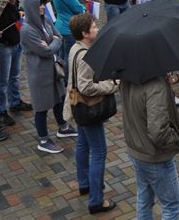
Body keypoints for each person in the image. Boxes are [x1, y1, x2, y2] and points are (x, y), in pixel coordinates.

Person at [61, 13, 118, 214]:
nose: (97, 29)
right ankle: (96, 200)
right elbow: (85, 86)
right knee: (99, 152)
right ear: (85, 33)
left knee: (83, 145)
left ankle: (84, 183)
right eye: (94, 27)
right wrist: (111, 86)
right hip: (88, 109)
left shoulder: (75, 48)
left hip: (77, 106)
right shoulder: (85, 56)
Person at [121, 71, 179, 219]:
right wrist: (175, 140)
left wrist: (169, 79)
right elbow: (158, 132)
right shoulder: (156, 85)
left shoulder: (127, 77)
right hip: (155, 156)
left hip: (137, 149)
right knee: (172, 206)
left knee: (144, 199)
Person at [20, 0, 76, 154]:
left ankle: (63, 127)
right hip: (39, 73)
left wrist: (52, 42)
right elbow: (45, 51)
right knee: (42, 106)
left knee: (59, 98)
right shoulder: (27, 30)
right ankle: (43, 139)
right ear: (31, 7)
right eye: (40, 4)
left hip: (53, 69)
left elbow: (58, 36)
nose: (43, 7)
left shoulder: (45, 20)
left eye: (43, 3)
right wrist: (53, 43)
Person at [0, 0, 32, 127]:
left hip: (15, 41)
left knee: (15, 75)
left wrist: (16, 7)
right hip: (3, 46)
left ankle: (15, 102)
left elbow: (14, 17)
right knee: (1, 81)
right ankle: (0, 111)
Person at [52, 0, 86, 64]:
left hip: (60, 25)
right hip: (69, 27)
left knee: (62, 56)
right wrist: (84, 8)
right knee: (70, 57)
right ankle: (68, 74)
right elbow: (78, 9)